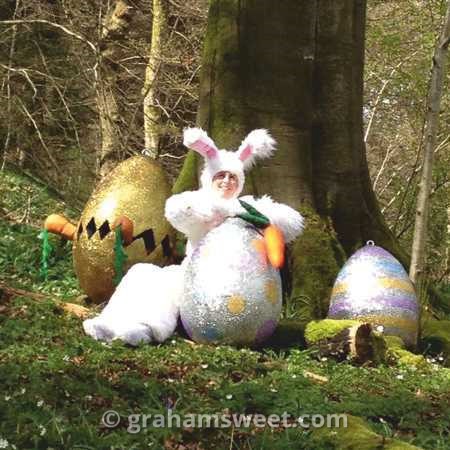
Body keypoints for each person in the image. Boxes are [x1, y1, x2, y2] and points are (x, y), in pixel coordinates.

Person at [83, 128, 304, 345]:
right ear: (210, 178)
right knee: (144, 273)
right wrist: (213, 209)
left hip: (239, 283)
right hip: (194, 274)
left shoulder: (249, 207)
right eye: (220, 176)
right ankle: (113, 323)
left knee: (168, 286)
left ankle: (146, 330)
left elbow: (291, 224)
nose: (227, 181)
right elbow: (177, 211)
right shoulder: (201, 201)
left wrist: (252, 217)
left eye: (232, 177)